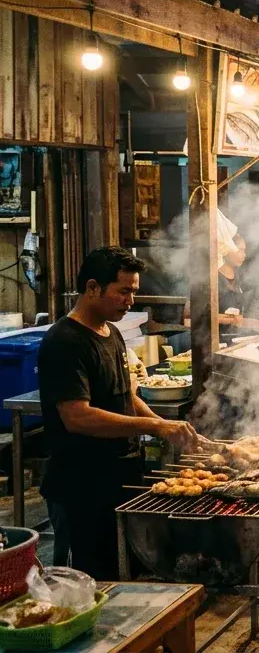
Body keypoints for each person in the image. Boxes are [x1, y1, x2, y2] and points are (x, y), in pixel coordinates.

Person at [39, 247, 198, 578]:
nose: (130, 301)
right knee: (94, 577)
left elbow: (127, 395)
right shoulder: (64, 342)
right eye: (123, 291)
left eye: (134, 292)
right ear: (93, 288)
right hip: (81, 484)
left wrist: (166, 425)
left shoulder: (111, 333)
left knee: (129, 568)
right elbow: (77, 416)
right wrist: (154, 428)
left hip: (121, 474)